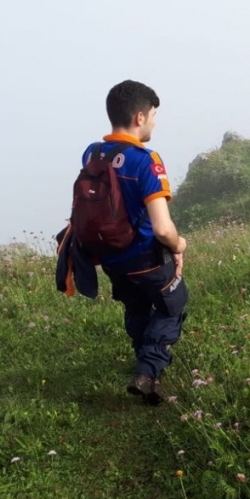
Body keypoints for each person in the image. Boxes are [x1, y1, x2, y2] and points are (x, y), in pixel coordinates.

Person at [87, 80, 188, 404]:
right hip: (146, 257)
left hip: (110, 258)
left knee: (136, 307)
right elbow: (162, 228)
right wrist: (179, 245)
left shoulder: (93, 153)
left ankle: (146, 373)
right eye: (154, 115)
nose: (155, 122)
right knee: (171, 307)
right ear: (140, 117)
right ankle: (147, 370)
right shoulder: (146, 160)